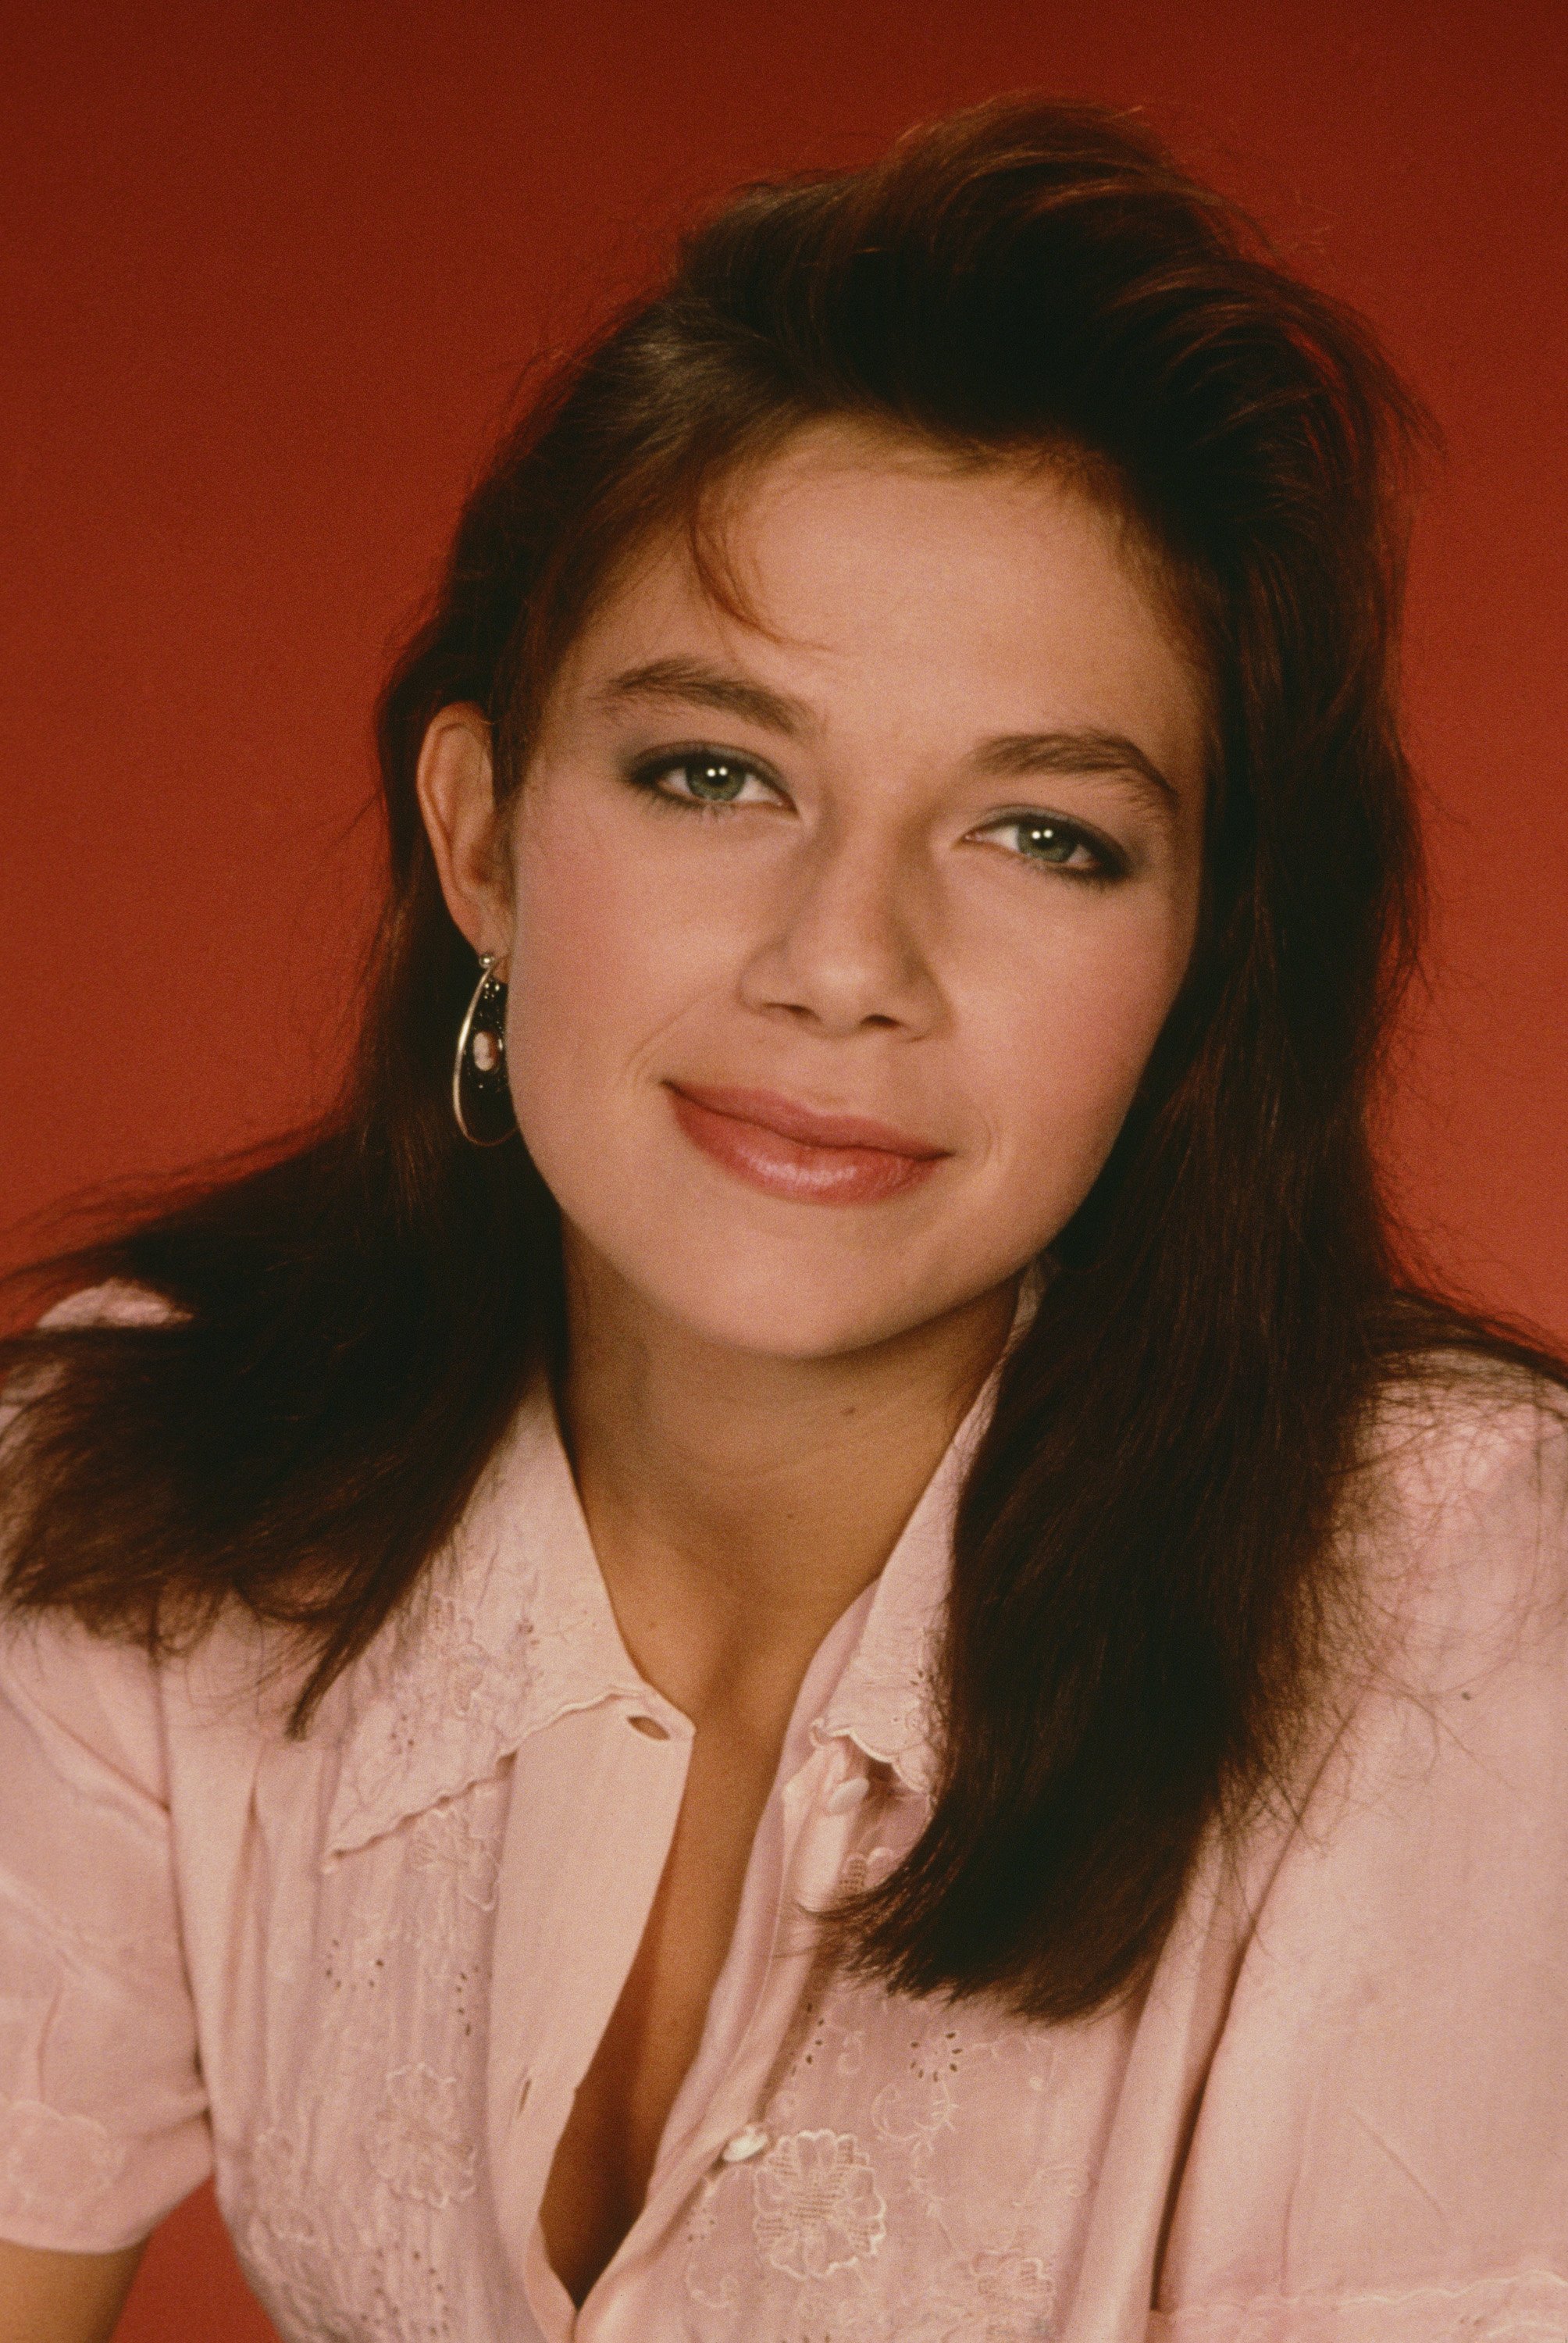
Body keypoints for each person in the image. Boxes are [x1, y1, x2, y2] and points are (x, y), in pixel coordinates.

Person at [2, 93, 1565, 2343]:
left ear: (1201, 968)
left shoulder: (1445, 1595)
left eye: (1046, 835)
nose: (847, 959)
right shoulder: (146, 1488)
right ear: (481, 847)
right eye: (713, 773)